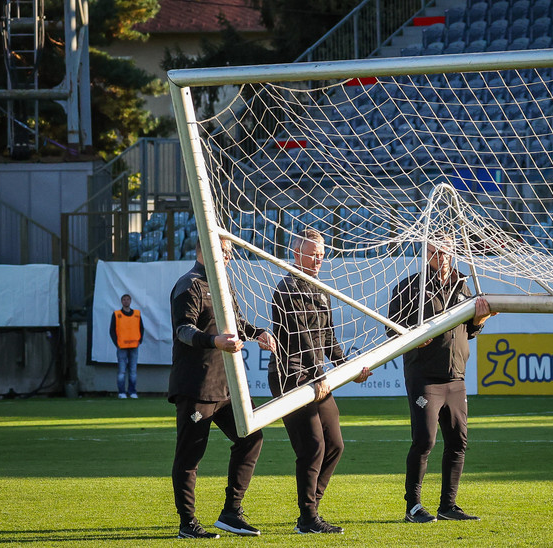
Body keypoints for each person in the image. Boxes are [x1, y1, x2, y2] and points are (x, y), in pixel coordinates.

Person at [169, 238, 276, 539]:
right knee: (190, 456)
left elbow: (236, 323)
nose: (229, 257)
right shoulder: (189, 285)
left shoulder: (224, 284)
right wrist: (214, 341)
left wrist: (258, 333)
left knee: (251, 437)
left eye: (230, 252)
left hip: (227, 386)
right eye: (224, 252)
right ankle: (187, 523)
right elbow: (183, 330)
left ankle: (231, 512)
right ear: (204, 249)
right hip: (197, 386)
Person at [269, 227, 372, 535]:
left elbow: (328, 339)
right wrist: (319, 374)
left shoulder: (321, 289)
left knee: (335, 445)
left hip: (315, 376)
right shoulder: (287, 288)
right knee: (313, 446)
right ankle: (308, 518)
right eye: (313, 255)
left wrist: (348, 368)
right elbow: (301, 337)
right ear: (296, 253)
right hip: (291, 375)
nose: (319, 260)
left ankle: (310, 508)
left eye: (322, 255)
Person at [387, 238, 496, 524]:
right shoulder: (410, 287)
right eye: (435, 251)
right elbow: (392, 329)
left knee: (458, 442)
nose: (442, 256)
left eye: (446, 251)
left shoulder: (463, 286)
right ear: (425, 254)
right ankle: (413, 507)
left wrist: (481, 319)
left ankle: (448, 506)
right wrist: (413, 338)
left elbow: (470, 331)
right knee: (425, 440)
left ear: (453, 253)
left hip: (456, 377)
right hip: (424, 377)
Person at [109, 293, 144, 399]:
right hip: (122, 346)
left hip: (134, 345)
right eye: (124, 299)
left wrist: (140, 340)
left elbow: (141, 328)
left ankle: (132, 391)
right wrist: (116, 343)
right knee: (122, 371)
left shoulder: (137, 314)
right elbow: (112, 330)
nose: (126, 301)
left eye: (128, 299)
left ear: (130, 301)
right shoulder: (116, 314)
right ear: (121, 301)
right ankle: (121, 392)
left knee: (133, 371)